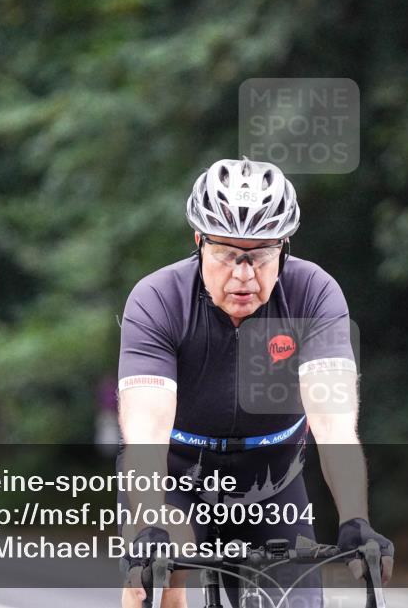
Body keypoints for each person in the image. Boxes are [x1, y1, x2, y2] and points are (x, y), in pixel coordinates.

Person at [117, 157, 393, 608]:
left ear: (284, 247)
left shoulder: (314, 294)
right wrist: (149, 524)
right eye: (226, 254)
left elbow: (333, 423)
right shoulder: (157, 300)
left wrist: (355, 519)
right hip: (177, 471)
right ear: (198, 241)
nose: (244, 275)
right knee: (156, 575)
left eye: (261, 255)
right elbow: (146, 432)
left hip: (273, 478)